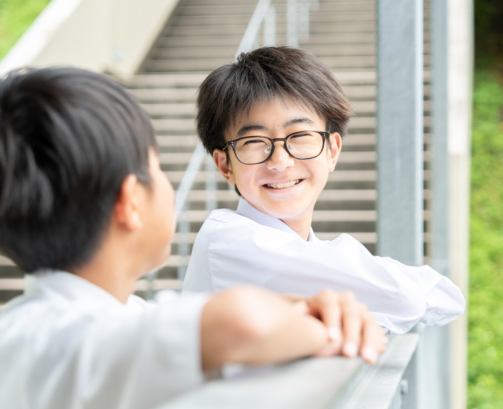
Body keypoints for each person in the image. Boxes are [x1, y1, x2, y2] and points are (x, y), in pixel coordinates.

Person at [0, 67, 386, 409]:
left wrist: (303, 308)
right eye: (156, 167)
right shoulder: (67, 337)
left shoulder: (35, 324)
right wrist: (328, 324)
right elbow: (242, 322)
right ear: (130, 203)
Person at [183, 46, 466, 339]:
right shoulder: (230, 241)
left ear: (332, 151)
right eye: (255, 142)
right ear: (224, 165)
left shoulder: (306, 251)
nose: (280, 161)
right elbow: (409, 298)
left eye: (300, 136)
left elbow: (444, 299)